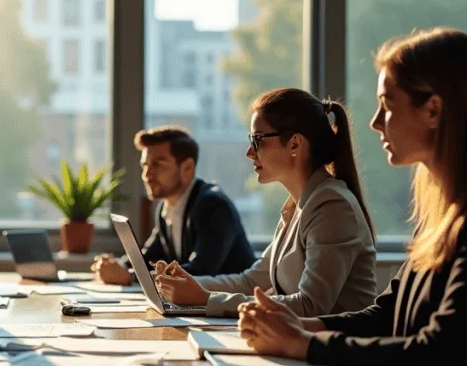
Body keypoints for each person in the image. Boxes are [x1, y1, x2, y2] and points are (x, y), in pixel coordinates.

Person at [238, 27, 467, 366]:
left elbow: (440, 352)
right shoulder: (446, 210)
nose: (375, 122)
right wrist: (302, 325)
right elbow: (387, 314)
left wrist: (306, 344)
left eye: (387, 105)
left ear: (433, 110)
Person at [153, 89, 378, 318]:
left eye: (257, 140)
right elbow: (250, 281)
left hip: (333, 350)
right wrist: (188, 284)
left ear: (295, 144)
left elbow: (310, 306)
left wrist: (204, 299)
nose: (250, 153)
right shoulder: (298, 205)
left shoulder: (333, 206)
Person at [92, 125, 253, 284]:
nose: (146, 175)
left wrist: (130, 276)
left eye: (157, 165)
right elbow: (146, 258)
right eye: (145, 165)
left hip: (231, 307)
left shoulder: (213, 206)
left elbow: (200, 271)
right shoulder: (166, 207)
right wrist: (116, 266)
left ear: (188, 167)